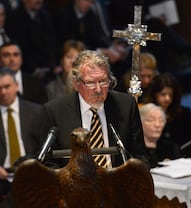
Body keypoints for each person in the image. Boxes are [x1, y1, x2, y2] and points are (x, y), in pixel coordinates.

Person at [39, 50, 150, 168]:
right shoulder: (55, 111)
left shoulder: (126, 105)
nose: (98, 89)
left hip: (117, 181)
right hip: (73, 183)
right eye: (90, 83)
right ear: (76, 84)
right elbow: (47, 163)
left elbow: (139, 156)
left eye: (103, 81)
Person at [0, 67, 42, 208]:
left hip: (32, 172)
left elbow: (45, 146)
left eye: (7, 87)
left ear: (16, 85)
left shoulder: (37, 111)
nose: (3, 92)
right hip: (3, 176)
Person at [144, 73, 191, 149]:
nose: (167, 99)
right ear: (154, 94)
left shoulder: (184, 113)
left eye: (170, 95)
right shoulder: (146, 112)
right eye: (163, 94)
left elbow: (190, 141)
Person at [5, 0, 57, 77]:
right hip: (28, 72)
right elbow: (20, 48)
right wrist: (34, 69)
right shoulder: (14, 19)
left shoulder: (46, 16)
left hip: (49, 69)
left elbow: (52, 44)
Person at [139, 103, 185, 168]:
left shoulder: (172, 148)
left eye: (161, 120)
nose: (157, 125)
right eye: (151, 120)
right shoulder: (134, 151)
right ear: (139, 123)